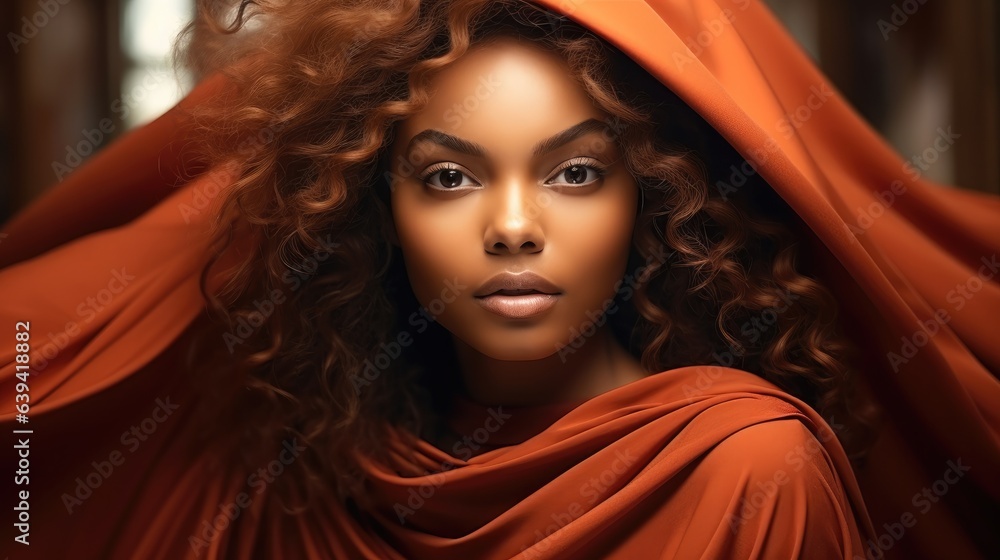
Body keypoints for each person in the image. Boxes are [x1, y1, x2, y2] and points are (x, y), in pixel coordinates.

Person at [1, 0, 997, 558]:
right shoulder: (313, 479)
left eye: (573, 173)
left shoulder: (744, 468)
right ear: (374, 207)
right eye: (448, 176)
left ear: (647, 200)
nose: (513, 227)